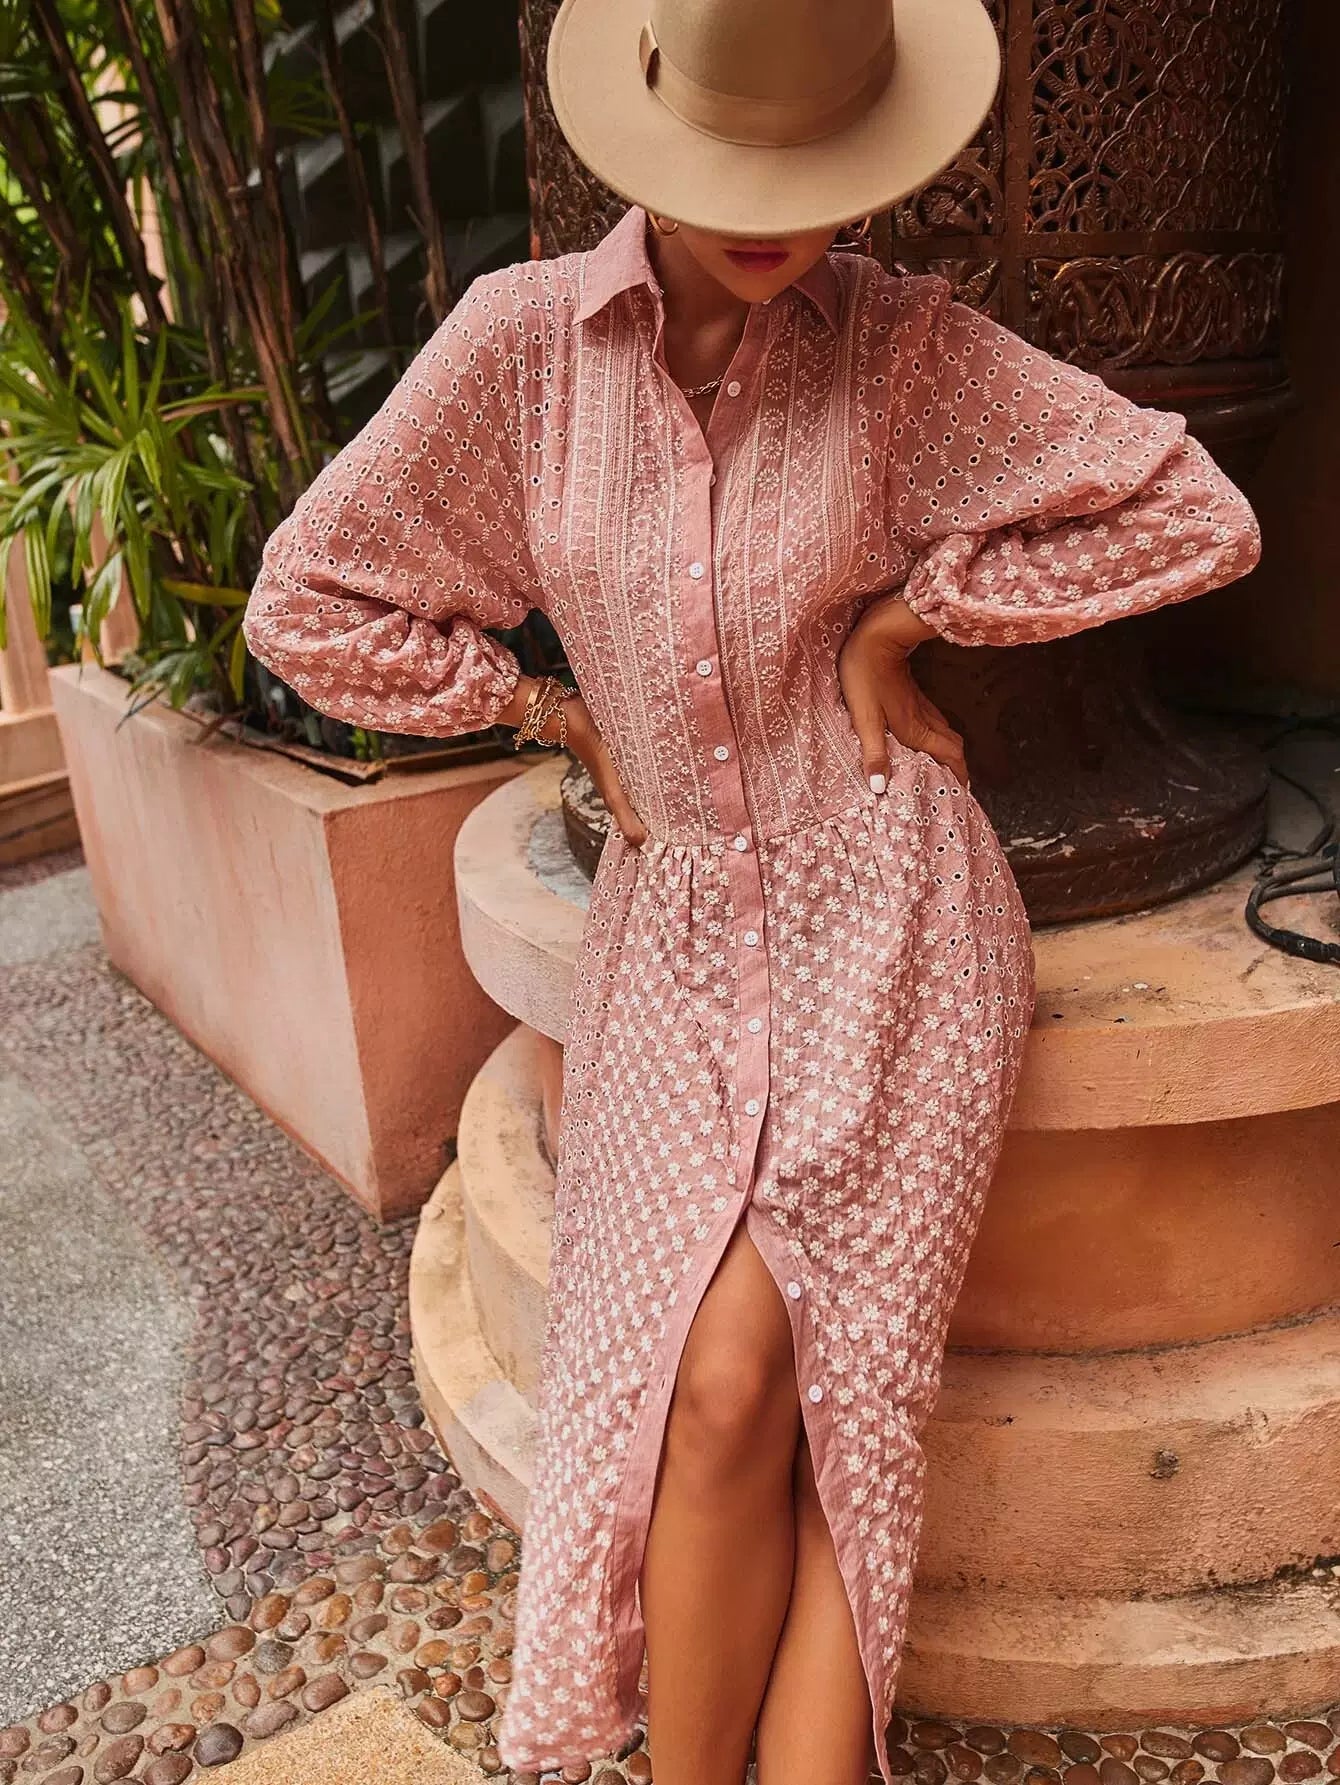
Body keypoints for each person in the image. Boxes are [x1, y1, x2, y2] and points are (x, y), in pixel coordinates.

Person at [240, 0, 1262, 1778]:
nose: (778, 216)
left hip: (894, 925)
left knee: (831, 1394)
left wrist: (908, 618)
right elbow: (307, 599)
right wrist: (543, 705)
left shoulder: (904, 350)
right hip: (677, 943)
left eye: (819, 166)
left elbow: (1194, 510)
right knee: (712, 1395)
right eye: (738, 163)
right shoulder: (525, 353)